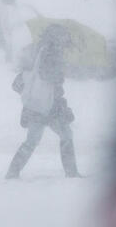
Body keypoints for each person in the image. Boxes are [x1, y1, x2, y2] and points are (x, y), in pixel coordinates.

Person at [5, 24, 80, 179]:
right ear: (56, 37)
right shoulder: (51, 53)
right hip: (48, 106)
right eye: (63, 36)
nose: (65, 39)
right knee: (66, 135)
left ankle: (13, 172)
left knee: (32, 141)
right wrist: (60, 72)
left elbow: (22, 81)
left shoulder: (39, 50)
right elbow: (49, 76)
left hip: (35, 105)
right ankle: (71, 173)